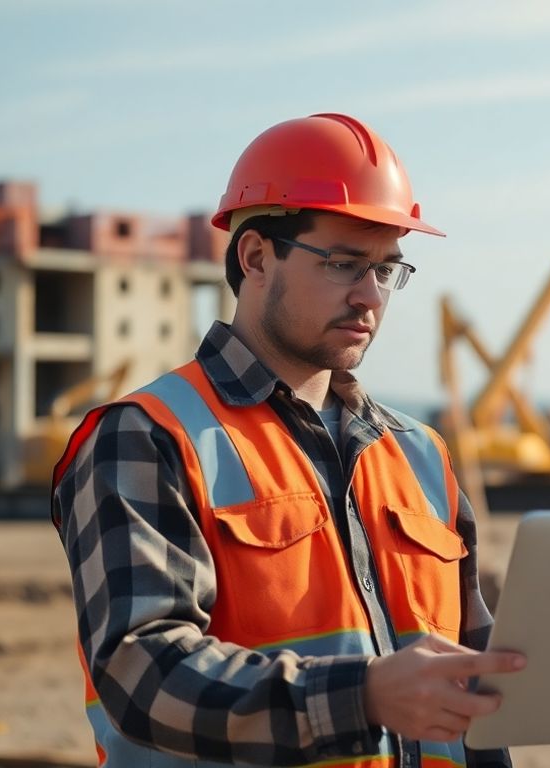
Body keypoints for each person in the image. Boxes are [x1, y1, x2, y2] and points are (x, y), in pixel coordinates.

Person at [52, 113, 524, 768]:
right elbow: (143, 673)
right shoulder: (149, 436)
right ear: (255, 258)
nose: (370, 296)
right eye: (344, 263)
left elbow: (472, 693)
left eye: (388, 270)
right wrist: (361, 698)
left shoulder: (421, 455)